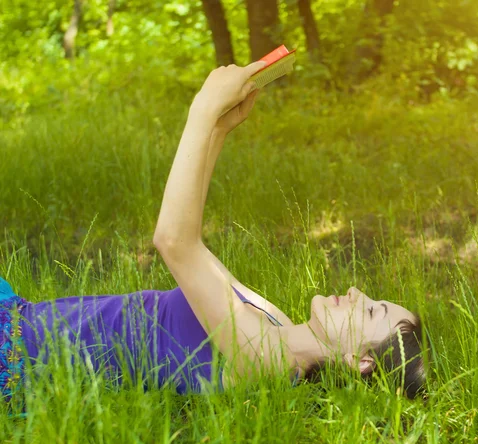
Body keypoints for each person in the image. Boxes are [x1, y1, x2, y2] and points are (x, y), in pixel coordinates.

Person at [0, 62, 426, 403]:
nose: (357, 292)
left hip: (15, 353)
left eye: (370, 311)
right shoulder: (274, 323)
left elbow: (174, 242)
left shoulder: (265, 360)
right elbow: (196, 244)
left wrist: (202, 109)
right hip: (20, 315)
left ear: (359, 362)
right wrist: (220, 128)